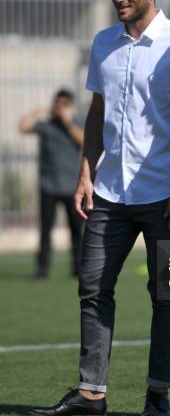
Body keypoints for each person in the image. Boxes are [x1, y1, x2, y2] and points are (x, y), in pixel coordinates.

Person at [30, 0, 170, 416]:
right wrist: (87, 172)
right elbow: (97, 111)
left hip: (165, 194)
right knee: (92, 287)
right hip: (109, 190)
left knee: (165, 294)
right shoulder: (103, 43)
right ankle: (92, 393)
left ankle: (158, 393)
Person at [19, 89, 84, 279]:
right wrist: (38, 112)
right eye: (57, 104)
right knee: (45, 230)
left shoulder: (77, 124)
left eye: (64, 104)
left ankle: (78, 268)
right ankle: (42, 268)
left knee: (76, 231)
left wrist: (68, 122)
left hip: (72, 186)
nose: (59, 108)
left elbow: (83, 141)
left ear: (70, 106)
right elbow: (23, 127)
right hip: (49, 185)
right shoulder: (47, 126)